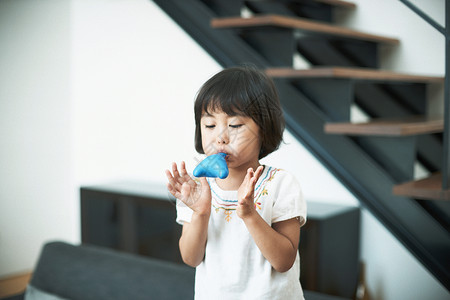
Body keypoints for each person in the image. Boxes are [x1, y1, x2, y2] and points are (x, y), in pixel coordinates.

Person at [165, 65, 307, 299]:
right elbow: (191, 258)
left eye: (235, 125)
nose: (220, 137)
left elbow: (284, 261)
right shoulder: (197, 188)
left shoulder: (281, 184)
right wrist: (200, 212)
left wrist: (250, 214)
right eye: (210, 125)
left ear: (263, 129)